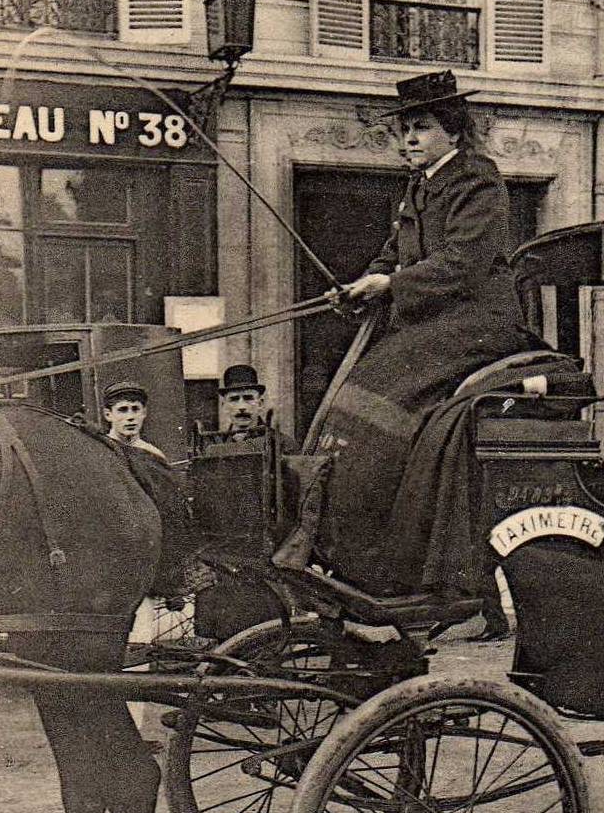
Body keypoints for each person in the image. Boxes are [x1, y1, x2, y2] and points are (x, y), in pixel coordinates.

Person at [275, 69, 539, 613]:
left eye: (420, 128)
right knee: (357, 396)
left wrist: (391, 285)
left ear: (453, 132)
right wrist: (363, 285)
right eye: (405, 131)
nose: (408, 140)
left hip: (476, 324)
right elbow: (392, 255)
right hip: (429, 323)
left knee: (382, 394)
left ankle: (397, 557)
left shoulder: (477, 180)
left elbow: (463, 264)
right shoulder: (419, 186)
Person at [101, 382, 167, 462]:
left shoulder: (153, 455)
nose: (130, 417)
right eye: (123, 410)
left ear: (144, 412)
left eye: (135, 409)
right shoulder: (101, 452)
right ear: (108, 414)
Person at [217, 363, 268, 438]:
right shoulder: (216, 444)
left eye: (248, 398)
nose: (241, 406)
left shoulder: (279, 444)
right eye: (234, 399)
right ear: (224, 406)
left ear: (260, 404)